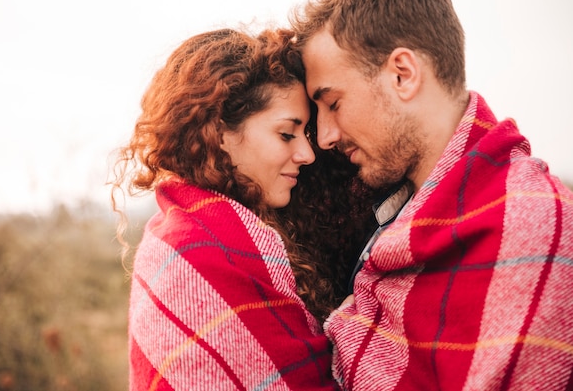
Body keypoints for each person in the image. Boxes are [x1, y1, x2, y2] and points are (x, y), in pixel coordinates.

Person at [289, 0, 573, 390]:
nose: (327, 135)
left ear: (403, 74)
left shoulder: (530, 223)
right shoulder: (380, 214)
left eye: (333, 103)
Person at [110, 27, 378, 390]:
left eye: (306, 135)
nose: (307, 154)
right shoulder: (200, 251)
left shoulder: (185, 229)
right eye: (286, 134)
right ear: (219, 132)